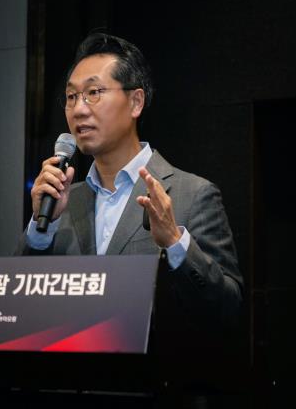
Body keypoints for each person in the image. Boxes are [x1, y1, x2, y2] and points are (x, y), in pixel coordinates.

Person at [16, 33, 243, 327]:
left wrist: (176, 243)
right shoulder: (60, 201)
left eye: (94, 92)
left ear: (136, 102)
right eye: (71, 97)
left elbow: (229, 308)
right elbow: (18, 302)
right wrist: (40, 229)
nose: (79, 109)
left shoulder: (194, 195)